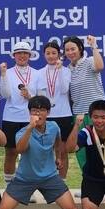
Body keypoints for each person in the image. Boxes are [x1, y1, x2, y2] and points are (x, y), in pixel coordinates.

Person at [63, 35, 105, 179]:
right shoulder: (67, 69)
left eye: (73, 49)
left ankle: (104, 184)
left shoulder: (89, 61)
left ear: (80, 49)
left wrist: (94, 45)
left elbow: (100, 66)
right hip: (78, 116)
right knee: (81, 152)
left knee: (101, 150)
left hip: (96, 114)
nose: (70, 52)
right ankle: (89, 182)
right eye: (67, 50)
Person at [0, 41, 35, 187]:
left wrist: (30, 96)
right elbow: (5, 94)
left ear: (29, 55)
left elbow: (39, 97)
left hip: (30, 118)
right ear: (14, 55)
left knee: (30, 154)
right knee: (11, 153)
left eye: (25, 53)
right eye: (19, 53)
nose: (22, 56)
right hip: (11, 118)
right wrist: (3, 75)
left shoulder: (37, 73)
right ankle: (10, 187)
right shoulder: (6, 72)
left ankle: (27, 186)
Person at [36, 41, 72, 178]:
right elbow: (39, 95)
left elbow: (64, 89)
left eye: (54, 53)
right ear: (44, 55)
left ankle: (61, 182)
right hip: (46, 116)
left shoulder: (66, 71)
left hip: (63, 114)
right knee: (45, 151)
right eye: (48, 53)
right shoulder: (39, 73)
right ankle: (46, 182)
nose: (51, 56)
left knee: (62, 151)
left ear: (59, 54)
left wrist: (59, 71)